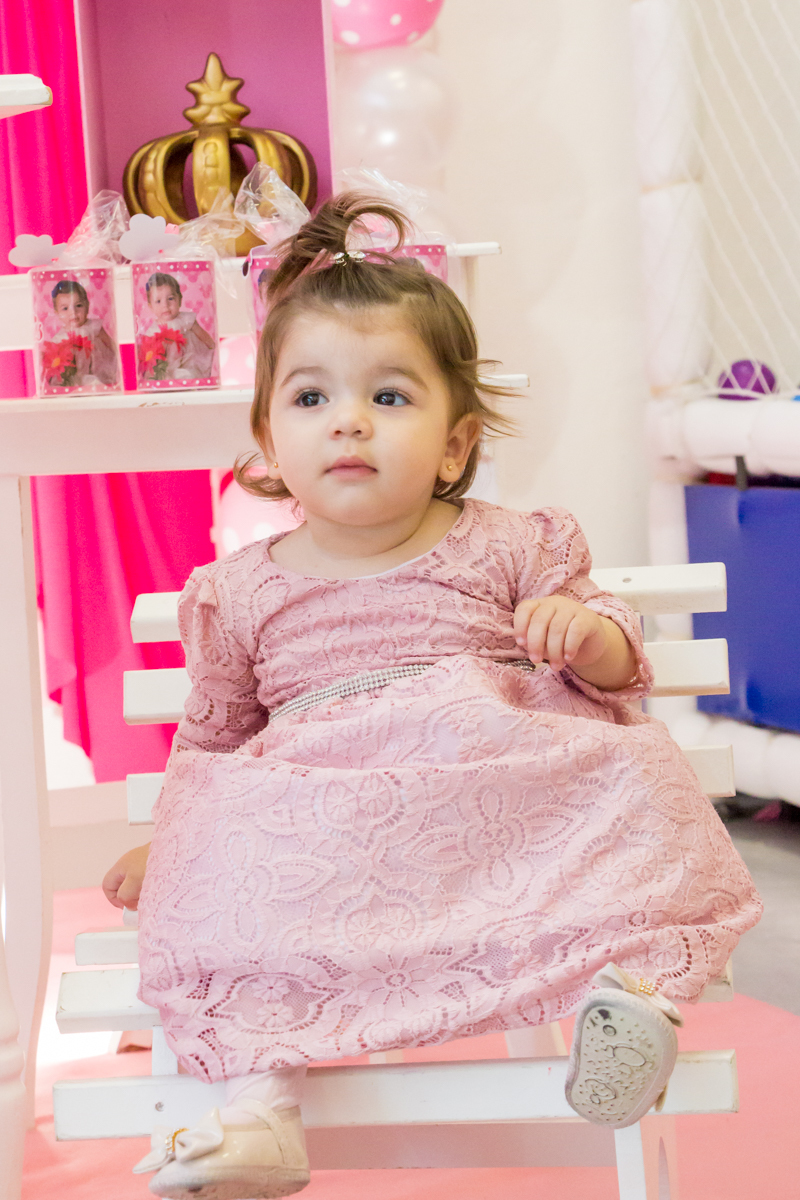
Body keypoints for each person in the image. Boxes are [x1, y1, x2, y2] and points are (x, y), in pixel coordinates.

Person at [104, 194, 761, 1200]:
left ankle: (627, 1001)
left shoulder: (509, 544)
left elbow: (614, 653)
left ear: (454, 445)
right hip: (324, 825)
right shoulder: (238, 591)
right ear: (268, 437)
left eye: (390, 398)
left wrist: (580, 633)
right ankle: (259, 1116)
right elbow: (215, 742)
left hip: (485, 804)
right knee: (226, 860)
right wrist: (184, 838)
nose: (349, 422)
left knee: (628, 770)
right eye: (311, 399)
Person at [43, 278, 118, 390]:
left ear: (87, 306)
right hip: (74, 374)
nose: (73, 312)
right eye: (65, 308)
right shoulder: (60, 337)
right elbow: (51, 357)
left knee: (97, 381)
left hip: (98, 369)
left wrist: (118, 357)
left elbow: (110, 343)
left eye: (78, 306)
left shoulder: (93, 326)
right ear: (57, 313)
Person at [140, 272, 216, 382]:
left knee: (190, 374)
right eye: (158, 301)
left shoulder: (185, 319)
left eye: (170, 299)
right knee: (160, 376)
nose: (165, 305)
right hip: (167, 366)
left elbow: (202, 334)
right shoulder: (154, 329)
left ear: (179, 300)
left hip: (189, 361)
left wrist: (213, 346)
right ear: (151, 307)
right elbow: (150, 354)